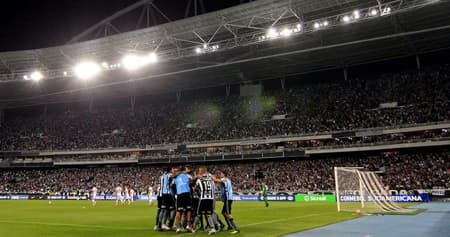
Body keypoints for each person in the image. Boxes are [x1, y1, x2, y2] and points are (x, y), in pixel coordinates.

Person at [194, 167, 217, 235]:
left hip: (203, 198)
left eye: (200, 171)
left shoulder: (199, 179)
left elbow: (195, 188)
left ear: (203, 171)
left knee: (198, 214)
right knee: (208, 214)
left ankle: (193, 227)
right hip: (210, 198)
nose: (199, 172)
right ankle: (212, 228)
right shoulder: (210, 178)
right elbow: (215, 180)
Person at [173, 165, 194, 233]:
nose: (189, 170)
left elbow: (171, 185)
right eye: (187, 169)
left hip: (180, 194)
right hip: (187, 194)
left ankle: (178, 227)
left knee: (179, 211)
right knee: (188, 210)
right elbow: (192, 182)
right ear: (184, 170)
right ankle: (188, 225)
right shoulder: (188, 176)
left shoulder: (175, 178)